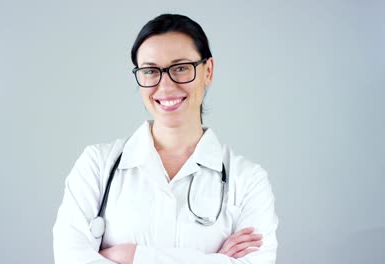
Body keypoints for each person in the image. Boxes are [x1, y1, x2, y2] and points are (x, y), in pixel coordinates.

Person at [53, 14, 278, 264]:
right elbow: (70, 258)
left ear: (208, 71)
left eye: (180, 68)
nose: (166, 85)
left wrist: (132, 256)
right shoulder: (96, 165)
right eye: (150, 71)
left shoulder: (248, 181)